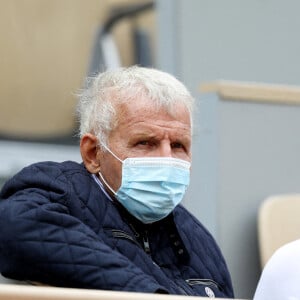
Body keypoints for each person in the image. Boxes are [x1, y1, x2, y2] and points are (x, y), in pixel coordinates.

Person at [0, 66, 234, 298]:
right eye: (145, 143)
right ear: (93, 153)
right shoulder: (59, 190)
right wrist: (149, 294)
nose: (167, 159)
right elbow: (15, 229)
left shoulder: (195, 234)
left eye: (178, 146)